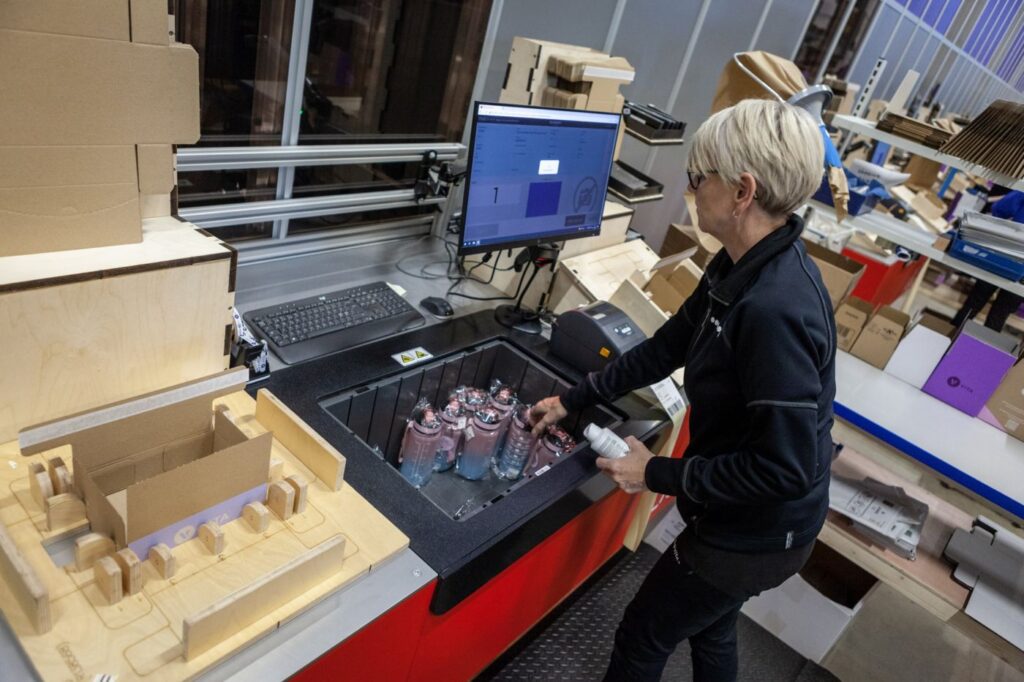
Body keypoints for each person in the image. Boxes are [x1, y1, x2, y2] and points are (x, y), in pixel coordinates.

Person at [531, 99, 836, 682]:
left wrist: (659, 474)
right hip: (738, 512)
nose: (692, 191)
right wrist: (576, 396)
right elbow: (666, 346)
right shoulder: (739, 265)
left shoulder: (775, 309)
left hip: (758, 532)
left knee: (643, 636)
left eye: (699, 179)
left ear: (743, 191)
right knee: (710, 623)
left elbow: (785, 468)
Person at [951, 189, 1024, 333]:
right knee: (1000, 313)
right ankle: (983, 352)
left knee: (975, 300)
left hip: (1006, 255)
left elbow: (999, 208)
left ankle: (949, 339)